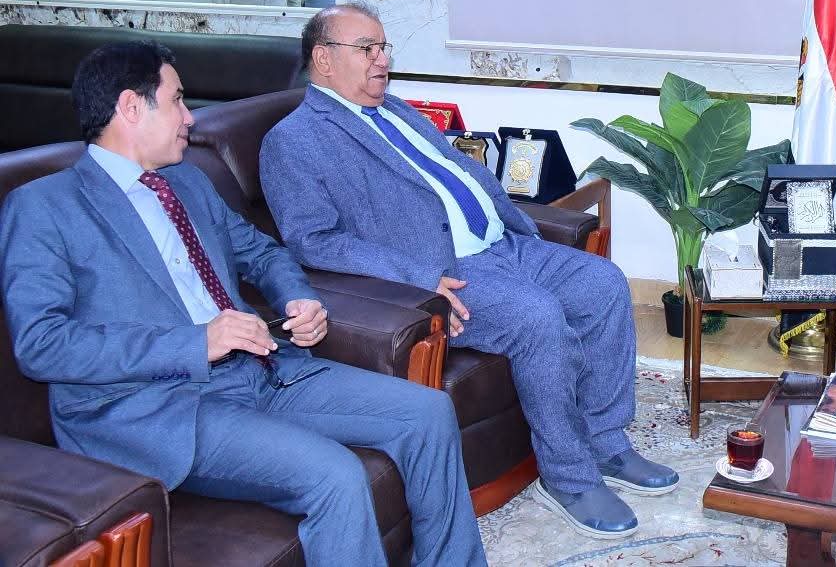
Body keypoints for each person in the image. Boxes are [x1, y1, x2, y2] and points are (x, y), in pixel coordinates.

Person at [0, 41, 486, 567]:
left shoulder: (187, 181)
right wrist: (197, 343)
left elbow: (260, 252)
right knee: (337, 476)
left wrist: (298, 297)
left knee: (428, 411)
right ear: (131, 107)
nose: (190, 117)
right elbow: (42, 344)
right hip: (162, 407)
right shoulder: (43, 207)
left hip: (262, 369)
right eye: (178, 100)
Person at [259, 3, 679, 541]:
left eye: (384, 47)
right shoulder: (294, 140)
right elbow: (311, 240)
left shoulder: (393, 109)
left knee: (604, 284)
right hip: (445, 272)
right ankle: (569, 478)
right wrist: (415, 278)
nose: (382, 59)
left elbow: (451, 172)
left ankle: (607, 443)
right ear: (323, 59)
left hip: (504, 244)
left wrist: (517, 220)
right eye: (367, 49)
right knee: (536, 317)